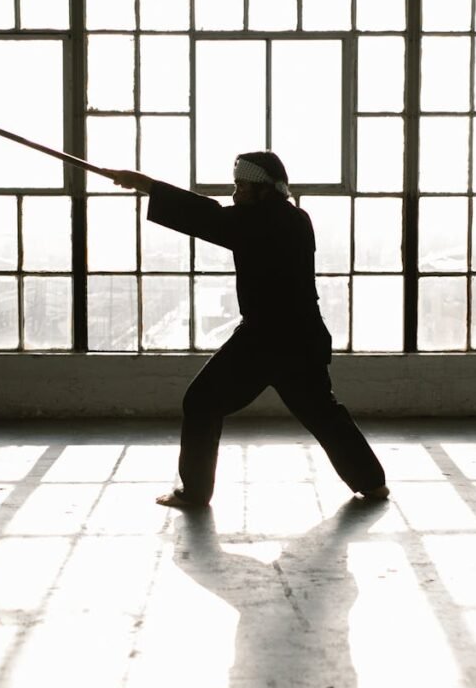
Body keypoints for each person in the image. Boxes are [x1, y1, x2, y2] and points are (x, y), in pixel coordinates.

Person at [109, 152, 388, 509]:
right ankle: (372, 483)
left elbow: (202, 215)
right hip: (302, 337)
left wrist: (143, 184)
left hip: (263, 340)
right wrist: (145, 184)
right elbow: (211, 214)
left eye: (241, 186)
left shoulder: (253, 222)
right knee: (323, 412)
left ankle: (194, 492)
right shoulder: (298, 220)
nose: (234, 193)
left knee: (201, 402)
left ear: (263, 190)